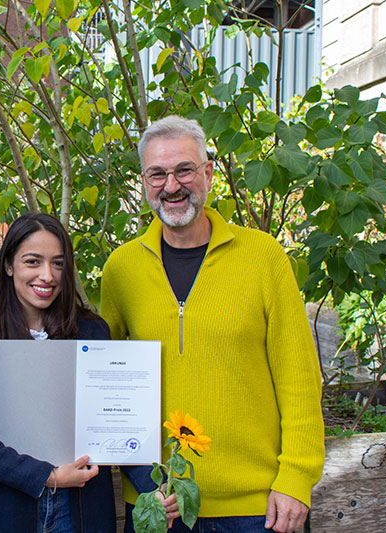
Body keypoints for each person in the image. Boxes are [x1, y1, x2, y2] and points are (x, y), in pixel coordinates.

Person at [100, 115, 325, 533]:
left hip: (259, 509)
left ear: (206, 172)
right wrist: (142, 485)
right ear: (143, 181)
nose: (171, 186)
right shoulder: (121, 270)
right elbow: (107, 390)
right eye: (157, 174)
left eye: (184, 170)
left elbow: (299, 378)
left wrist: (297, 478)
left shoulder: (263, 257)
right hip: (158, 507)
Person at [0, 213, 179, 532]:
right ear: (9, 265)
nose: (47, 275)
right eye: (33, 261)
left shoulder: (93, 332)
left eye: (58, 263)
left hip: (82, 512)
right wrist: (48, 476)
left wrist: (155, 488)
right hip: (2, 513)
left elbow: (117, 425)